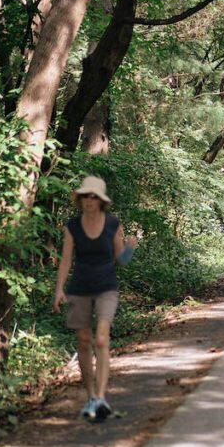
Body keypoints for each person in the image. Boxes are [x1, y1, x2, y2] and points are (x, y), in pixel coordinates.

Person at [53, 176, 137, 422]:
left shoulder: (112, 224)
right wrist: (59, 289)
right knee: (83, 341)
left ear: (100, 200)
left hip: (106, 288)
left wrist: (130, 246)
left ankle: (101, 397)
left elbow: (120, 259)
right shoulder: (72, 226)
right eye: (85, 196)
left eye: (93, 196)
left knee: (101, 339)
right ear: (80, 200)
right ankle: (90, 396)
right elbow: (66, 260)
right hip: (79, 288)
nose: (89, 200)